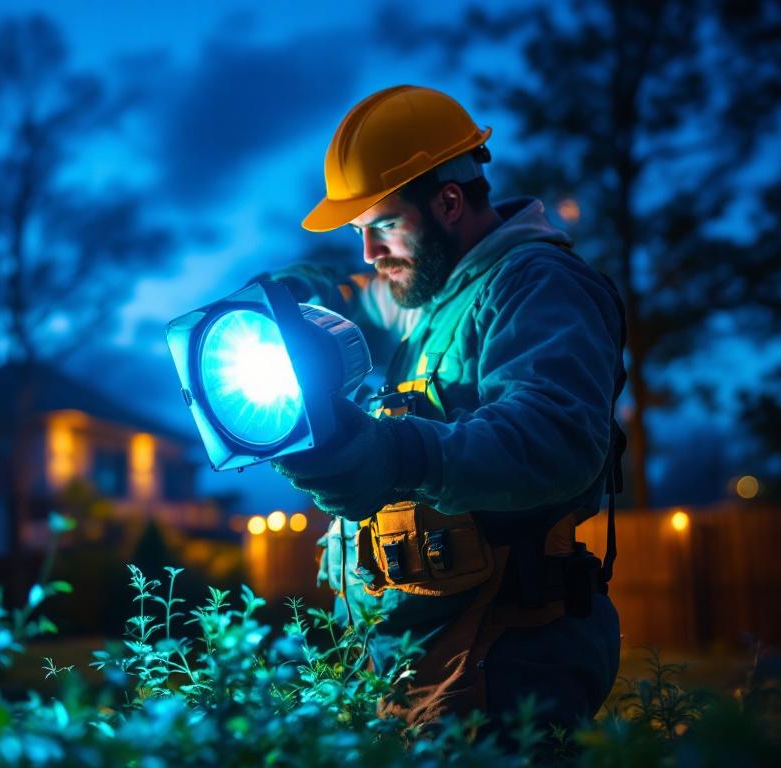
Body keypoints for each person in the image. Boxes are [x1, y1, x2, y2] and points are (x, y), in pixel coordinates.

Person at [268, 85, 627, 734]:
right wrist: (292, 298)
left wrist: (394, 454)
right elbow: (348, 296)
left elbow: (557, 436)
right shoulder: (420, 292)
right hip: (420, 663)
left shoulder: (538, 285)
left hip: (508, 660)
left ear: (450, 201)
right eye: (359, 233)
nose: (371, 254)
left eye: (382, 226)